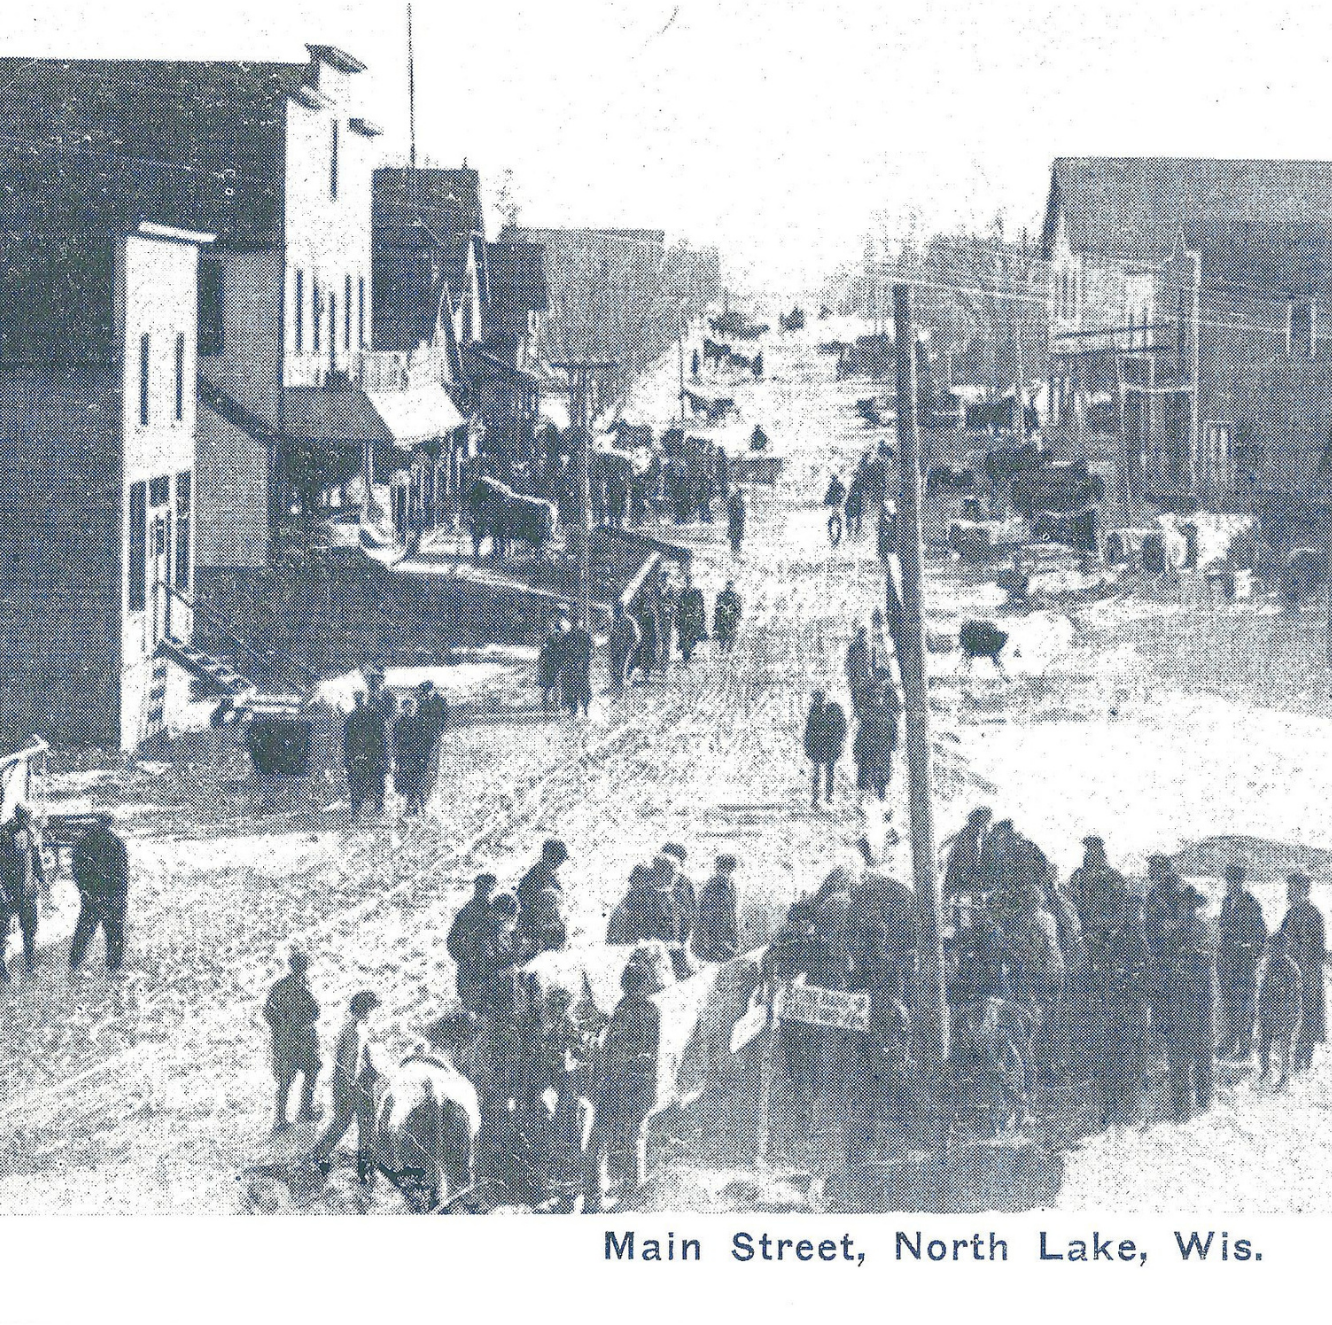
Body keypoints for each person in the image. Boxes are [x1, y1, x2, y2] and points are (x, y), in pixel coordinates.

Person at [585, 961, 660, 1210]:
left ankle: (597, 1195)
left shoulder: (625, 1010)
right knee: (628, 1139)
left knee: (603, 1140)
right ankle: (628, 1191)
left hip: (618, 1085)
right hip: (631, 1085)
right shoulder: (646, 1010)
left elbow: (617, 1051)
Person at [1086, 892, 1150, 1127]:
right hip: (1121, 1001)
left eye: (1138, 911)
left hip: (1136, 999)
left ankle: (1138, 1085)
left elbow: (1148, 968)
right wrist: (1121, 973)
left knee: (1138, 1043)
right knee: (1120, 1045)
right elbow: (1108, 966)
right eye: (1132, 911)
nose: (1135, 915)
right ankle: (1117, 1097)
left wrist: (1136, 974)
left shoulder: (1142, 935)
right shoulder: (1119, 937)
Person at [312, 990, 383, 1183]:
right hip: (354, 1084)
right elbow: (351, 1060)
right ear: (366, 1009)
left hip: (349, 1082)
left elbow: (363, 1055)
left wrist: (372, 1069)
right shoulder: (355, 1028)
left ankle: (319, 1155)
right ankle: (363, 1167)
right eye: (372, 1008)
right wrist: (356, 1084)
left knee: (344, 1122)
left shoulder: (354, 1025)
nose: (374, 1012)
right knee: (364, 1124)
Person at [1162, 885, 1215, 1121]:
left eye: (1189, 906)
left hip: (1199, 1001)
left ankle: (1204, 1100)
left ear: (1194, 907)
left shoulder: (1203, 929)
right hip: (1178, 1001)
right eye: (1182, 905)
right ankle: (1181, 1107)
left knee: (1202, 1052)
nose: (1185, 909)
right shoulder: (1172, 932)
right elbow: (1165, 964)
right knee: (1178, 1056)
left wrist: (1188, 958)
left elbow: (1207, 959)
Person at [263, 950, 322, 1133]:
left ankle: (291, 1114)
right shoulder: (294, 986)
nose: (304, 968)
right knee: (295, 1077)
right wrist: (286, 1028)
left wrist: (280, 1028)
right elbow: (314, 1011)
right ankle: (293, 1115)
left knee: (296, 1076)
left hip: (292, 1042)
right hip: (295, 1042)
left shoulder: (284, 985)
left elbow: (267, 1012)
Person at [1216, 863, 1268, 1059]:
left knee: (1244, 1005)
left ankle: (1245, 1048)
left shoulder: (1251, 903)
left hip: (1244, 964)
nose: (1231, 885)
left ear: (1241, 882)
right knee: (1229, 1003)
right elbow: (1223, 930)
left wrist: (1250, 953)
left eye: (1235, 881)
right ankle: (1229, 1041)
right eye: (1229, 881)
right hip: (1227, 963)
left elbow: (1261, 935)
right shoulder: (1226, 901)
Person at [69, 817, 130, 973]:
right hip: (111, 896)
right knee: (114, 935)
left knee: (84, 933)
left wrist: (83, 890)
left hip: (92, 895)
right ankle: (113, 971)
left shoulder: (84, 842)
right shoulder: (116, 842)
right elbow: (123, 874)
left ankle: (74, 967)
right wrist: (121, 899)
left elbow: (76, 870)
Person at [1280, 871, 1326, 1073]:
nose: (1288, 893)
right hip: (1292, 974)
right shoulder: (1290, 913)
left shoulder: (1315, 915)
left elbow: (1317, 950)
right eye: (1289, 888)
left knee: (1307, 1017)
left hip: (1309, 976)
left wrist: (1296, 951)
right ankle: (1293, 1059)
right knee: (1292, 1016)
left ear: (1303, 890)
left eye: (1292, 889)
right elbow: (1281, 938)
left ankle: (1303, 1061)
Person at [0, 804, 45, 978]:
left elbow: (36, 858)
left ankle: (30, 965)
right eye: (27, 818)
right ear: (19, 817)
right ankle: (2, 967)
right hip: (8, 892)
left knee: (30, 929)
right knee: (3, 930)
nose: (29, 822)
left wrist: (42, 880)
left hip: (28, 892)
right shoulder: (4, 834)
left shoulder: (31, 832)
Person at [1257, 929, 1303, 1087]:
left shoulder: (1291, 968)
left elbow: (1293, 996)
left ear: (1283, 948)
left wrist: (1283, 1015)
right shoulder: (1269, 965)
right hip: (1269, 1011)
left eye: (1274, 948)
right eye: (1270, 948)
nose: (1270, 951)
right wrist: (1262, 1010)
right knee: (1264, 1043)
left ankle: (1284, 1078)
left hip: (1286, 1013)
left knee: (1285, 1046)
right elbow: (1263, 990)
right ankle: (1265, 1072)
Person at [447, 874, 498, 1011]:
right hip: (473, 972)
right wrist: (467, 959)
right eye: (483, 889)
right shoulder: (467, 914)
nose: (486, 893)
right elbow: (452, 943)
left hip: (486, 970)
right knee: (475, 1010)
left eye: (489, 890)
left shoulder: (493, 911)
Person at [343, 690, 389, 818]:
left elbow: (382, 738)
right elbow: (347, 740)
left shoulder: (374, 716)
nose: (359, 702)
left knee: (376, 781)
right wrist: (348, 758)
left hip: (372, 754)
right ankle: (356, 810)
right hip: (359, 755)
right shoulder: (352, 718)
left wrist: (383, 757)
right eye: (357, 700)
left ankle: (378, 807)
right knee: (356, 783)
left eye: (360, 700)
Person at [853, 682, 898, 803]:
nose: (876, 699)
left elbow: (894, 731)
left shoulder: (888, 714)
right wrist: (857, 749)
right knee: (864, 777)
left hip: (882, 751)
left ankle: (881, 801)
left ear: (882, 698)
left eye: (879, 696)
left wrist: (893, 745)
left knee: (881, 778)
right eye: (874, 697)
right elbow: (861, 733)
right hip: (868, 750)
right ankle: (862, 803)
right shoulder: (867, 714)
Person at [803, 689, 847, 807]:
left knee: (830, 772)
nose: (817, 701)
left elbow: (842, 727)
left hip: (830, 746)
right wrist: (807, 746)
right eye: (815, 699)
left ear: (823, 698)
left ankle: (828, 796)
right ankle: (815, 797)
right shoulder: (813, 711)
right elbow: (809, 729)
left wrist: (839, 741)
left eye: (819, 699)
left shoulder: (834, 709)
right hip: (817, 747)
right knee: (817, 773)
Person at [693, 855, 740, 962]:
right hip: (714, 933)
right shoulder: (715, 885)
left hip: (723, 931)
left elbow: (732, 912)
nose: (724, 873)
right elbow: (706, 913)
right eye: (722, 868)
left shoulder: (729, 884)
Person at [393, 697, 433, 816]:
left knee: (418, 782)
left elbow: (427, 740)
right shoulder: (399, 723)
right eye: (406, 707)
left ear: (414, 708)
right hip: (405, 758)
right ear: (402, 708)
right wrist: (397, 758)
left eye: (411, 707)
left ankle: (418, 807)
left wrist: (425, 756)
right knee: (409, 782)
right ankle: (413, 807)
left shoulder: (420, 722)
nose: (409, 709)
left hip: (418, 758)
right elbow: (396, 741)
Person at [944, 807, 992, 903]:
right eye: (984, 818)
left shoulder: (984, 831)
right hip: (962, 864)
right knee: (954, 891)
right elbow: (957, 848)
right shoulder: (966, 832)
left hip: (974, 866)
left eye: (987, 819)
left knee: (977, 891)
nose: (986, 821)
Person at [415, 681, 448, 798]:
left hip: (435, 735)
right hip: (423, 737)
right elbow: (418, 718)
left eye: (426, 692)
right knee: (424, 760)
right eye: (424, 693)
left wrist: (439, 732)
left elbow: (444, 718)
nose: (425, 694)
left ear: (431, 690)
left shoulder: (440, 701)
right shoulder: (422, 702)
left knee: (434, 760)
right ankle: (423, 783)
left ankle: (431, 783)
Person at [561, 614, 594, 717]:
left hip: (582, 666)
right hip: (572, 667)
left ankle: (585, 709)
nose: (575, 624)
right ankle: (574, 709)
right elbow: (562, 651)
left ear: (580, 622)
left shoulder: (585, 635)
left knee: (583, 687)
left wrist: (586, 660)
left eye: (577, 621)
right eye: (574, 622)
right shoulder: (568, 636)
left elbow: (591, 649)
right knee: (572, 688)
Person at [607, 602, 642, 695]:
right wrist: (610, 647)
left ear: (622, 610)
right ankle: (615, 686)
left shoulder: (629, 621)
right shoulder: (614, 621)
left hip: (625, 649)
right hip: (615, 649)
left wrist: (630, 647)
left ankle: (621, 690)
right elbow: (612, 636)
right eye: (615, 610)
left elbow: (635, 636)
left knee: (622, 668)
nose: (615, 613)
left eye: (617, 610)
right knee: (614, 667)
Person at [538, 614, 569, 712]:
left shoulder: (564, 628)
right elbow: (544, 646)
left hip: (557, 660)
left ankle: (555, 703)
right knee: (549, 683)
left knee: (557, 683)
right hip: (550, 660)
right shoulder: (550, 629)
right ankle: (547, 703)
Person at [676, 575, 708, 664]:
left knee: (693, 638)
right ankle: (686, 655)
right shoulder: (682, 593)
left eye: (689, 582)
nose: (688, 584)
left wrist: (702, 620)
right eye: (686, 582)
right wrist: (677, 620)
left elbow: (701, 607)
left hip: (694, 620)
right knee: (684, 638)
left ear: (691, 582)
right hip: (684, 620)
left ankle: (689, 651)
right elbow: (678, 607)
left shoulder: (697, 592)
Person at [846, 626, 873, 718]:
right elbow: (852, 663)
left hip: (858, 677)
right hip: (857, 676)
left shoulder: (859, 646)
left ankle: (859, 712)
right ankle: (859, 712)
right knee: (859, 695)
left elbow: (865, 662)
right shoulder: (858, 646)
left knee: (859, 695)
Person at [713, 581, 741, 653]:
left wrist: (737, 616)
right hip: (723, 618)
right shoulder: (721, 595)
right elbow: (717, 607)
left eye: (730, 586)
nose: (729, 587)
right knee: (722, 635)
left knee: (732, 635)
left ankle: (729, 650)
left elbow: (738, 608)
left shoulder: (735, 596)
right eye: (728, 586)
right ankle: (722, 649)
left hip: (732, 619)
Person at [727, 487, 746, 556]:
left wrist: (742, 516)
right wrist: (734, 516)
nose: (740, 495)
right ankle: (733, 549)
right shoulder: (732, 500)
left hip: (739, 521)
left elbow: (743, 510)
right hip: (734, 521)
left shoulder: (741, 500)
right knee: (734, 536)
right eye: (739, 493)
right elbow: (730, 510)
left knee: (738, 536)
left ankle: (737, 549)